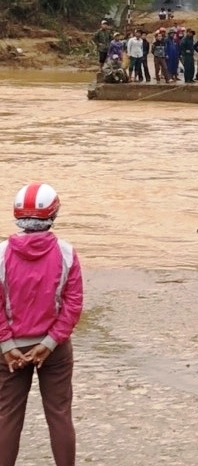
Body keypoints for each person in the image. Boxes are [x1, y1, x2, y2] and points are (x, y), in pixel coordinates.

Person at [0, 183, 83, 466]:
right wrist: (49, 343)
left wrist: (6, 343)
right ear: (53, 214)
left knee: (6, 417)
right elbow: (73, 305)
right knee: (59, 414)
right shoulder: (67, 253)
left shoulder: (0, 255)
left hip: (9, 351)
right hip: (55, 349)